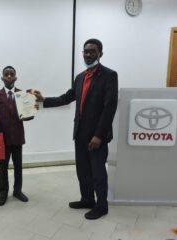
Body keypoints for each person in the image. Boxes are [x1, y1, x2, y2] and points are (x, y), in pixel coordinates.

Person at [34, 39, 118, 220]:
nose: (88, 55)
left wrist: (98, 135)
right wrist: (44, 100)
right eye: (85, 51)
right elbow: (67, 97)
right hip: (80, 133)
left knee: (97, 172)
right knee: (83, 171)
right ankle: (87, 199)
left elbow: (109, 107)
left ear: (100, 54)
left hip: (97, 135)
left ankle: (101, 206)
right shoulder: (80, 77)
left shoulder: (109, 75)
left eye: (92, 51)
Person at [0, 66, 29, 206]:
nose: (9, 77)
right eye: (6, 74)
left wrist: (31, 112)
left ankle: (17, 191)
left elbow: (28, 114)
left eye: (11, 74)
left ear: (16, 77)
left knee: (18, 166)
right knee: (3, 167)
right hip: (3, 137)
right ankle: (3, 192)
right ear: (2, 77)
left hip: (18, 136)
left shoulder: (22, 94)